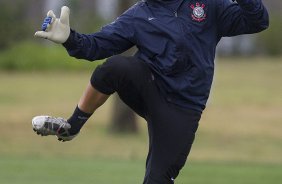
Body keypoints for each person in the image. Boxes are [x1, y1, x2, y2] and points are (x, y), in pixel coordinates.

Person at [32, 0, 269, 183]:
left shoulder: (209, 5)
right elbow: (95, 47)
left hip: (183, 109)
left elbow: (258, 20)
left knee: (158, 179)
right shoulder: (138, 15)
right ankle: (72, 126)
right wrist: (69, 39)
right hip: (149, 88)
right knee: (114, 68)